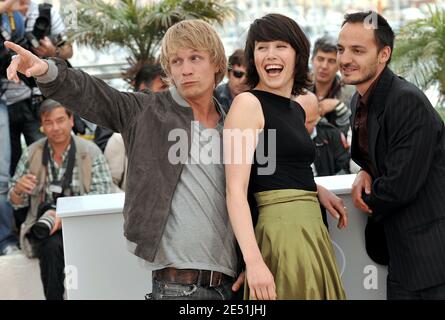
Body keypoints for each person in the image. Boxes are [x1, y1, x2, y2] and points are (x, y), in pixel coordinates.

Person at [4, 19, 243, 300]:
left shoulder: (234, 125)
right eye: (176, 61)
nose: (186, 69)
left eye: (195, 58)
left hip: (235, 286)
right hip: (178, 287)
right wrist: (46, 71)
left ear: (216, 63)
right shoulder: (147, 111)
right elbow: (96, 95)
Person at [224, 13, 347, 300]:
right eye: (261, 47)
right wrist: (253, 262)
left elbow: (268, 167)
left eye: (280, 46)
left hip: (311, 231)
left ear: (297, 53)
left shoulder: (295, 109)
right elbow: (235, 190)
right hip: (281, 237)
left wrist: (313, 189)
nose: (270, 55)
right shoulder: (246, 104)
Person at [338, 11, 445, 300]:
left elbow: (399, 186)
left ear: (384, 54)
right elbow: (373, 154)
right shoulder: (360, 98)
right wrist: (365, 171)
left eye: (357, 50)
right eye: (341, 49)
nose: (345, 59)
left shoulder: (406, 100)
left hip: (429, 262)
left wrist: (365, 197)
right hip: (401, 256)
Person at [7, 100, 112, 300]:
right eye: (49, 122)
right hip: (44, 229)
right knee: (51, 244)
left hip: (83, 227)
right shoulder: (32, 153)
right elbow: (15, 202)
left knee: (58, 245)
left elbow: (102, 197)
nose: (55, 128)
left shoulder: (90, 152)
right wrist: (18, 190)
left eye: (60, 120)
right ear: (42, 126)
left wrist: (65, 216)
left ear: (72, 120)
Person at [4, 0, 72, 176]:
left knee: (44, 160)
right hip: (5, 100)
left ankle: (48, 200)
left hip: (37, 99)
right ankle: (18, 201)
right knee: (9, 166)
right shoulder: (4, 13)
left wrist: (52, 51)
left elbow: (68, 49)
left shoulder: (45, 11)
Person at [104, 63, 168, 192]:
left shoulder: (182, 132)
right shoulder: (120, 139)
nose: (170, 94)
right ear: (144, 89)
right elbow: (109, 185)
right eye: (163, 87)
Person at [296, 91, 350, 177]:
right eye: (299, 121)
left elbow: (344, 168)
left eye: (309, 122)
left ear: (318, 116)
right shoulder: (280, 137)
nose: (304, 126)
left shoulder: (333, 135)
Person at [309, 35, 354, 137]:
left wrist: (339, 107)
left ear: (339, 65)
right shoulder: (298, 88)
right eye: (320, 59)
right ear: (312, 60)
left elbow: (353, 131)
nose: (324, 66)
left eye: (331, 61)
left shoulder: (350, 93)